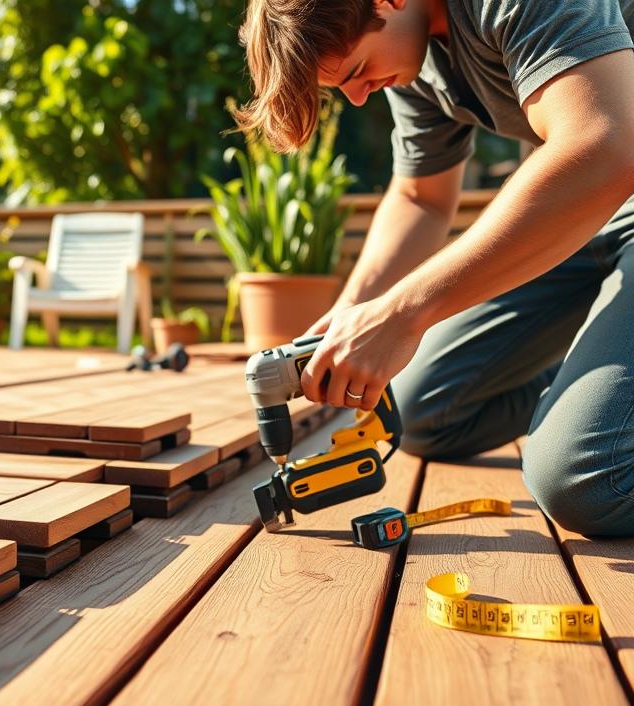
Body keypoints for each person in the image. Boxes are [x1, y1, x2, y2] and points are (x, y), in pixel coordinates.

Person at [236, 0, 634, 536]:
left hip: (609, 177)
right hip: (595, 211)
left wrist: (403, 313)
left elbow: (605, 144)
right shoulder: (413, 53)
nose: (357, 97)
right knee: (424, 407)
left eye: (355, 72)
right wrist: (350, 318)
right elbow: (422, 198)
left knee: (583, 479)